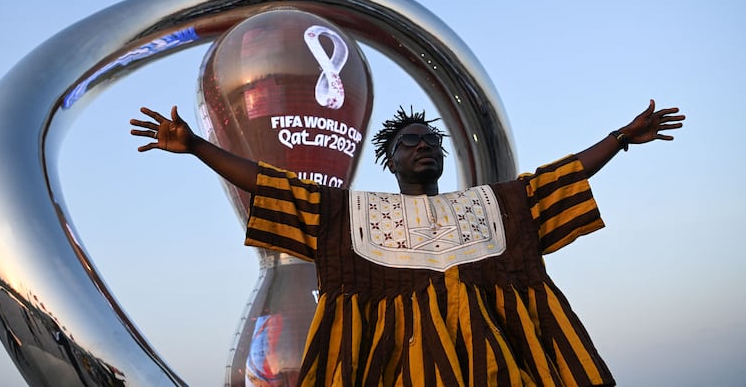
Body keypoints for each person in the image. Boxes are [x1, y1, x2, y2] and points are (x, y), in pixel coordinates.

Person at [130, 100, 683, 387]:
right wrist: (198, 145)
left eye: (431, 140)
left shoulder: (493, 207)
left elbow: (553, 182)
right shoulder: (352, 214)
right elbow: (276, 187)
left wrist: (618, 140)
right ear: (389, 160)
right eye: (409, 141)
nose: (423, 146)